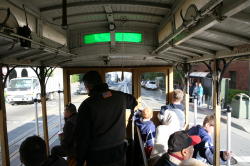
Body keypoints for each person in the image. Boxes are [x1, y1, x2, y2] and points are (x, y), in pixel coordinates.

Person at [75, 71, 137, 166]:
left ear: (88, 86)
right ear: (101, 82)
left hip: (98, 157)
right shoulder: (120, 97)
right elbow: (133, 102)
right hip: (119, 153)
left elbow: (83, 138)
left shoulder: (87, 105)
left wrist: (80, 161)